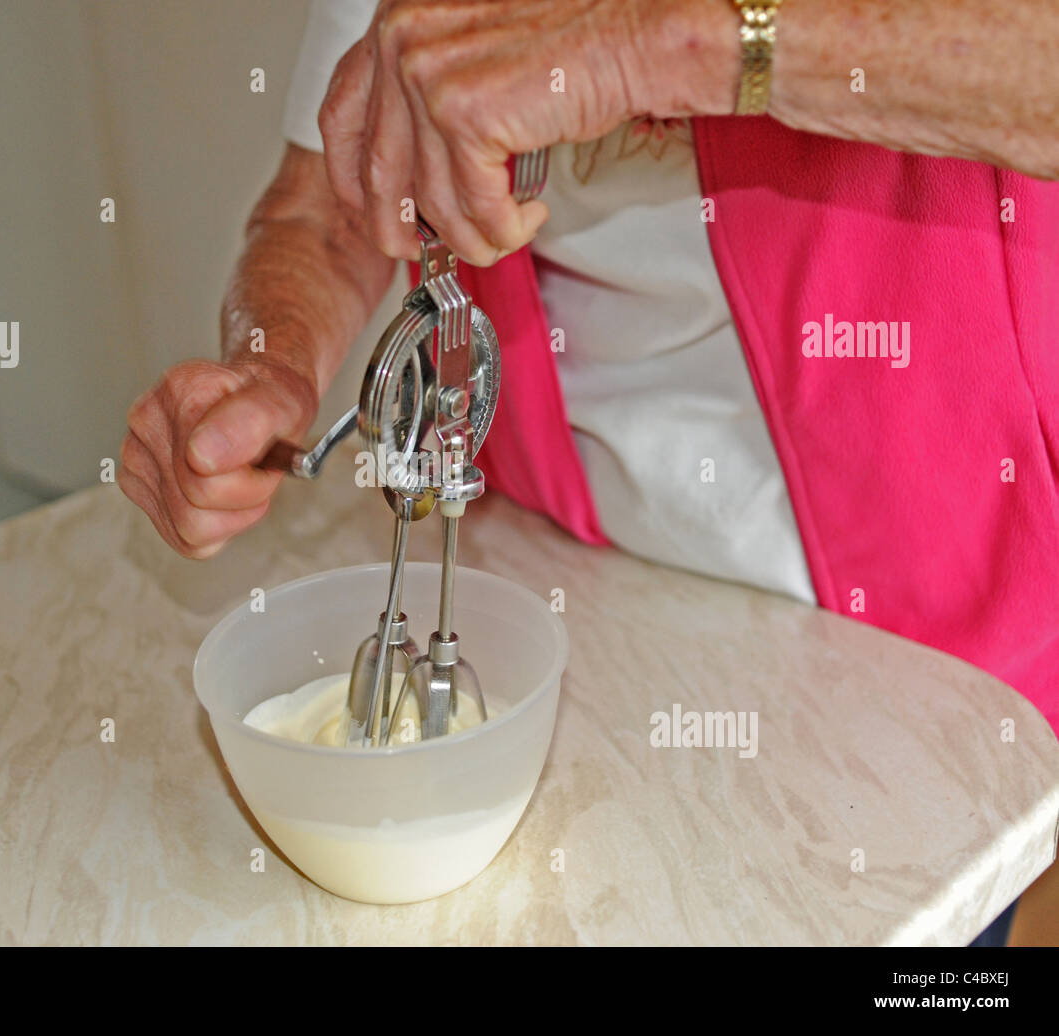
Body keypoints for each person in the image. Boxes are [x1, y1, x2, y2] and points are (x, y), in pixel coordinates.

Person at [120, 1, 1059, 942]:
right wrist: (270, 359)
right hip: (569, 582)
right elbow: (322, 207)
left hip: (929, 630)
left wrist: (656, 43)